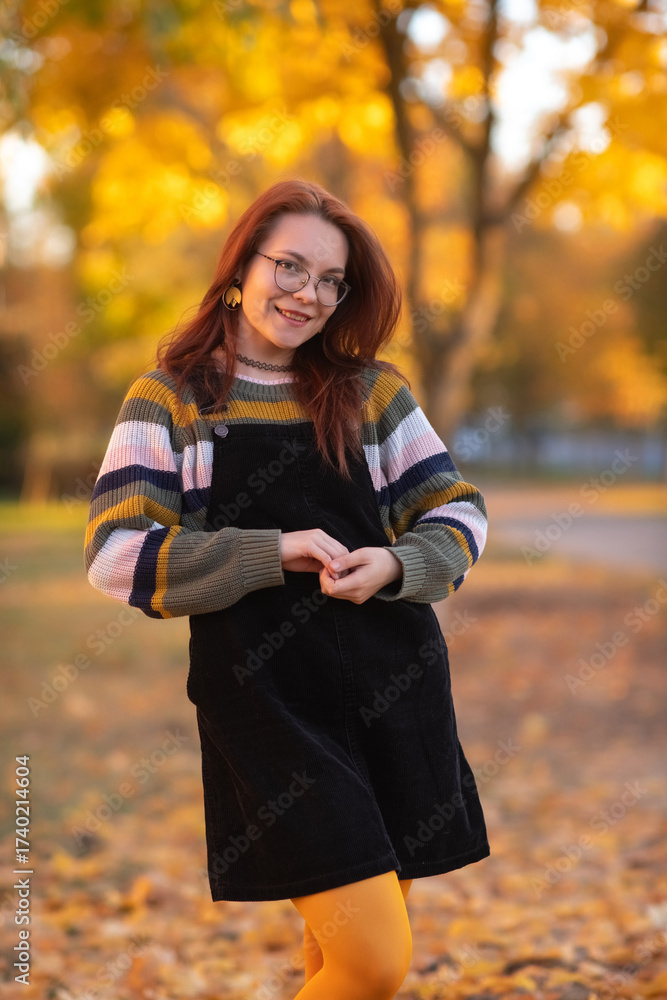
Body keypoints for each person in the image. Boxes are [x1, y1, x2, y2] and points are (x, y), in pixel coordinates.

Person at [84, 177, 490, 999]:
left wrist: (396, 565)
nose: (308, 294)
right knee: (373, 963)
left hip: (394, 688)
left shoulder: (372, 393)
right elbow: (116, 554)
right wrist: (268, 552)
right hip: (267, 706)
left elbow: (458, 512)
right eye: (290, 267)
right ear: (242, 266)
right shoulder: (171, 400)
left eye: (331, 281)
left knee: (336, 961)